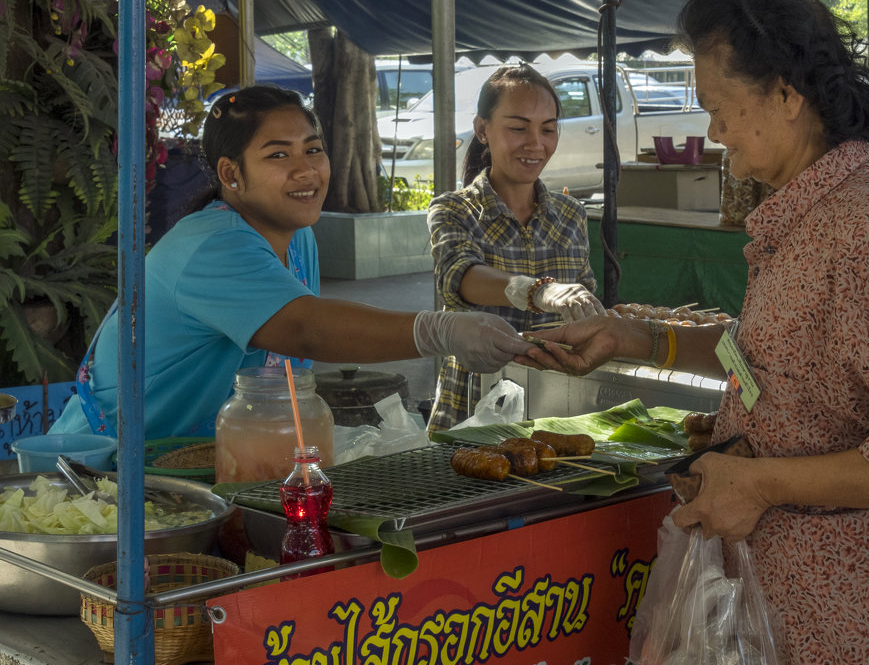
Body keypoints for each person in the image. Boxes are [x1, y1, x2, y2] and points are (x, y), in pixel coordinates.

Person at [522, 0, 869, 665]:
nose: (712, 131)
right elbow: (769, 356)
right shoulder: (808, 214)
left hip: (848, 638)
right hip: (788, 618)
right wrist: (636, 338)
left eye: (719, 108)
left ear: (786, 94)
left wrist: (759, 480)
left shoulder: (858, 229)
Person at [51, 85, 534, 441]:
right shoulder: (211, 245)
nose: (305, 170)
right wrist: (442, 331)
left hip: (201, 458)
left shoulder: (297, 236)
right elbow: (307, 328)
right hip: (106, 471)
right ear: (230, 173)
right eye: (278, 154)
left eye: (313, 150)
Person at [426, 64, 605, 431]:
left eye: (548, 129)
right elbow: (460, 276)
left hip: (557, 409)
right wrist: (540, 291)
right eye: (518, 127)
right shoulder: (453, 209)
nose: (535, 143)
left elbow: (585, 301)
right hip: (473, 410)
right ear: (482, 130)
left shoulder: (570, 216)